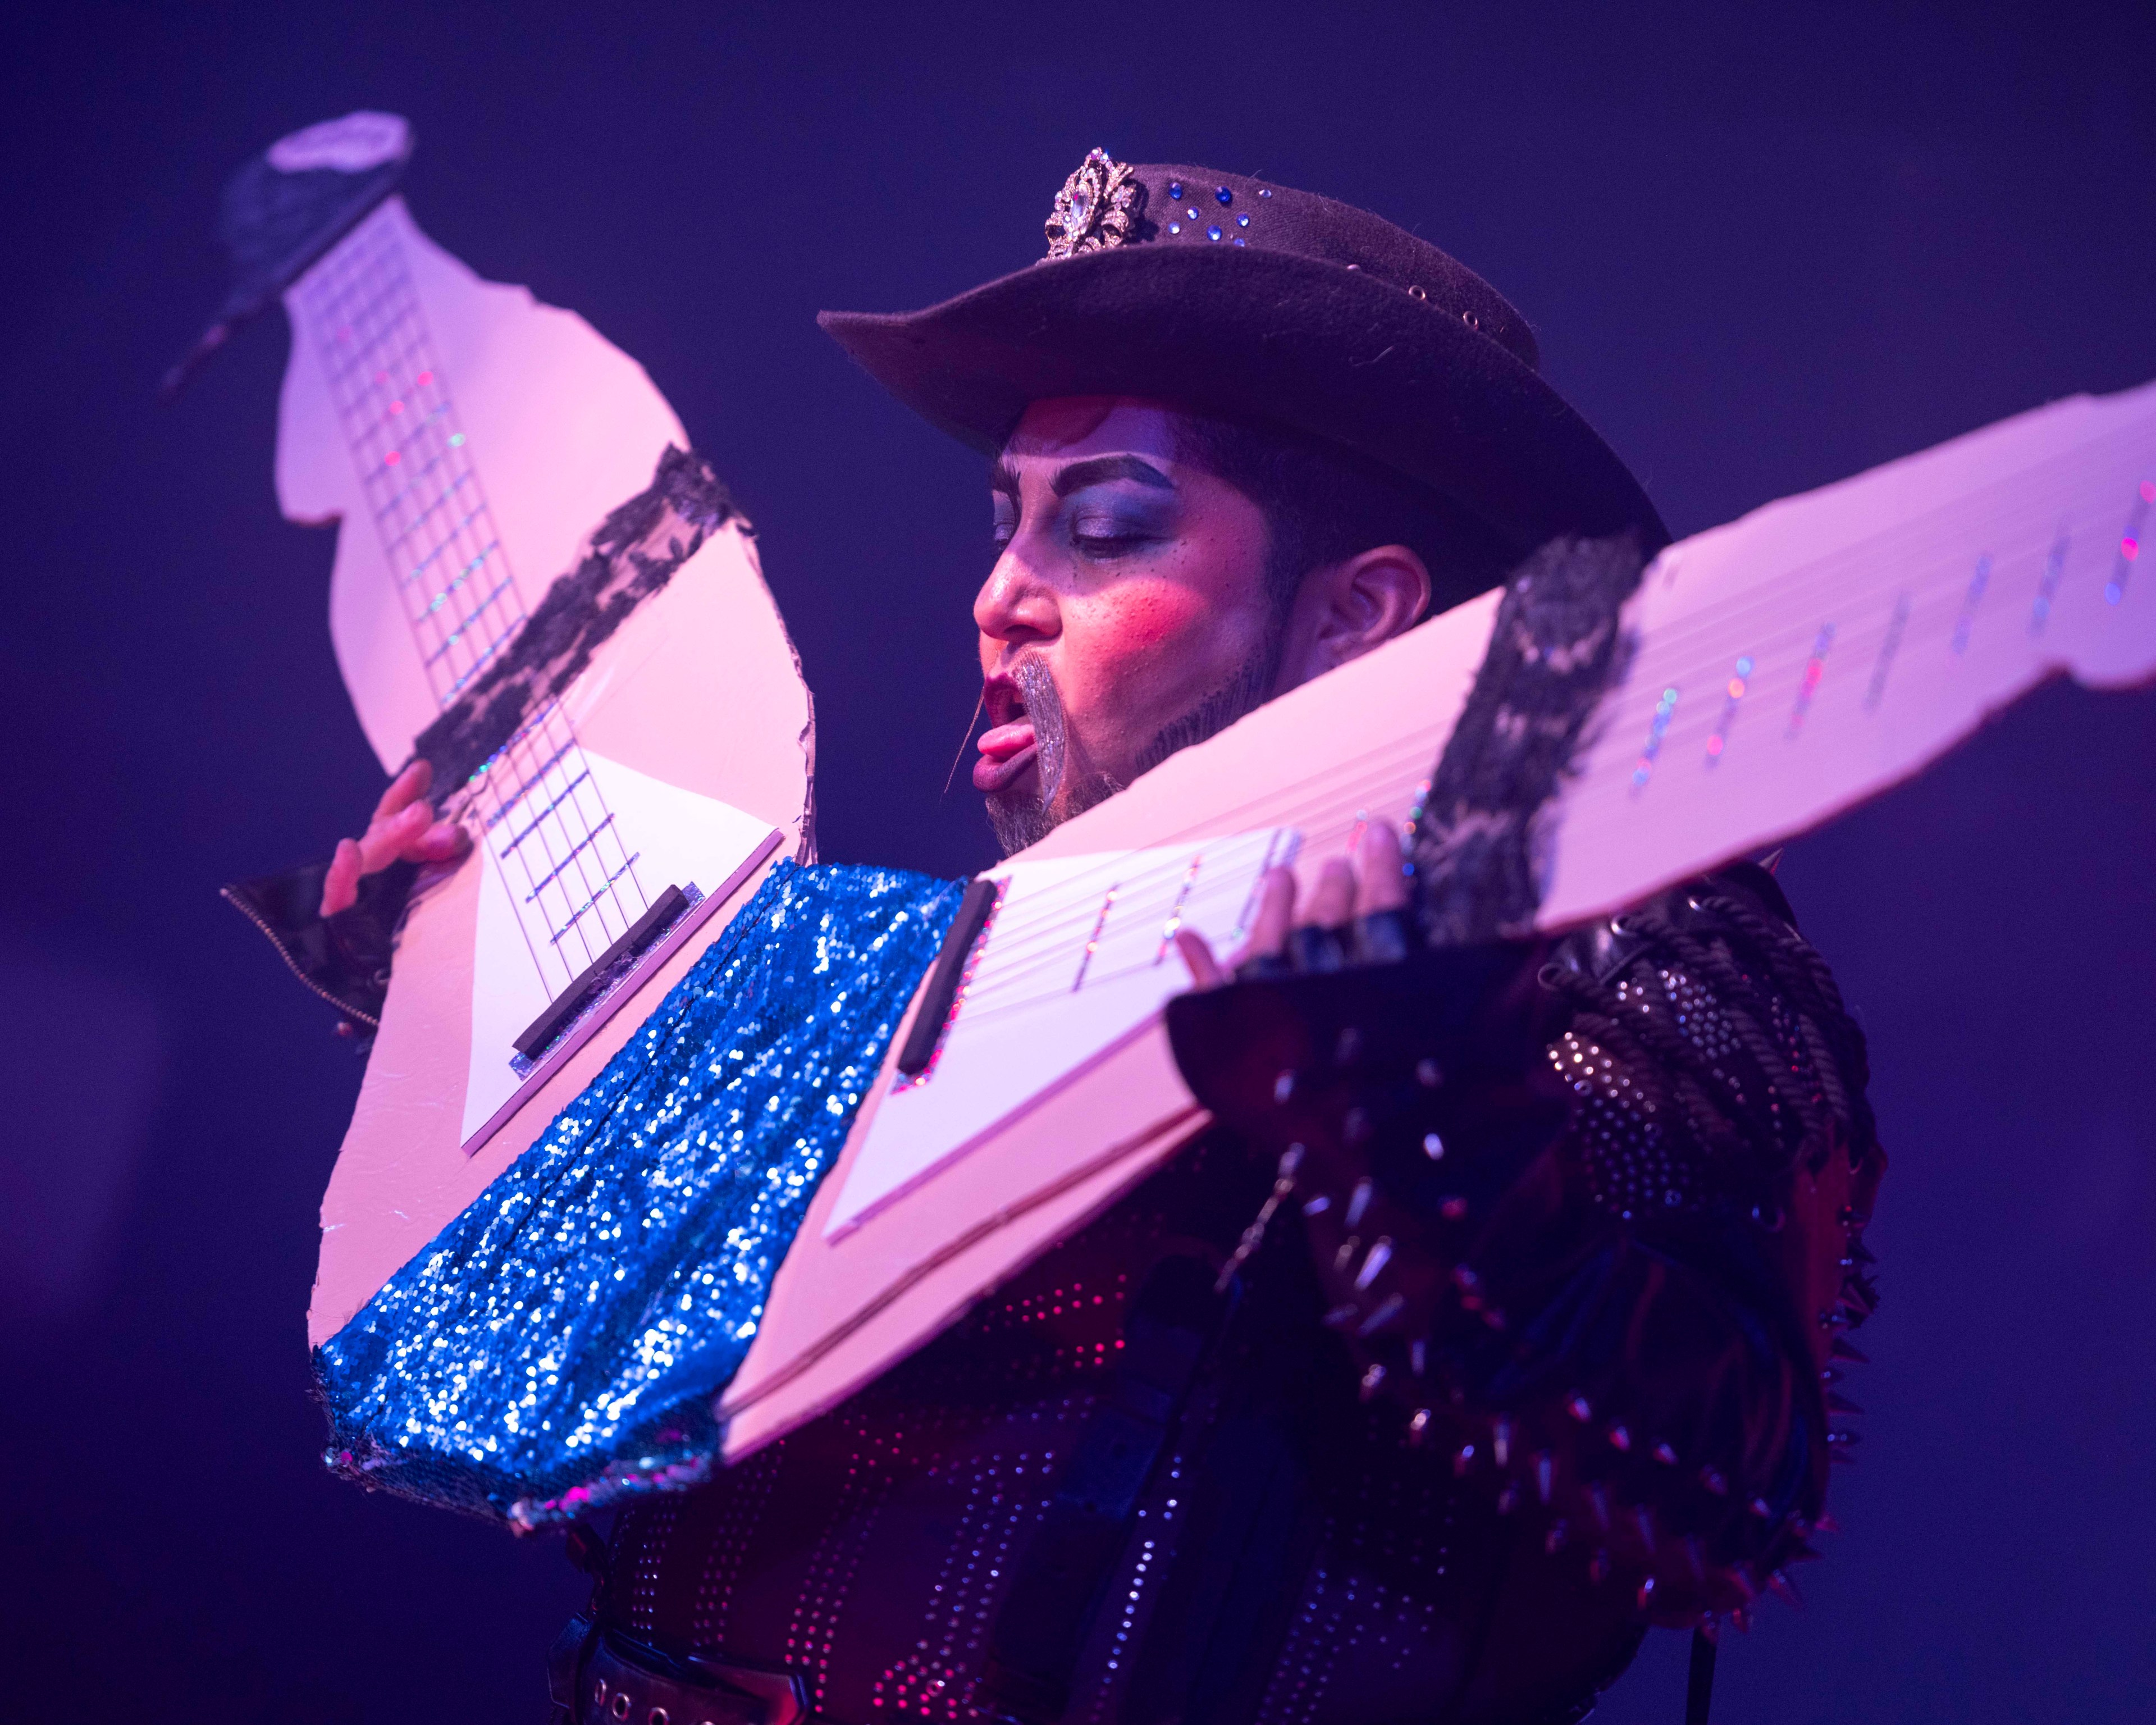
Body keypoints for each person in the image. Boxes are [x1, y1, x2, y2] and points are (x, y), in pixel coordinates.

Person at [251, 155, 1883, 1723]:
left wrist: (1412, 1117)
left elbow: (1720, 1496)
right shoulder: (983, 964)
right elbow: (613, 1370)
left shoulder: (1606, 935)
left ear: (1355, 615)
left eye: (1103, 530)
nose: (1004, 594)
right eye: (1006, 522)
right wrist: (465, 1014)